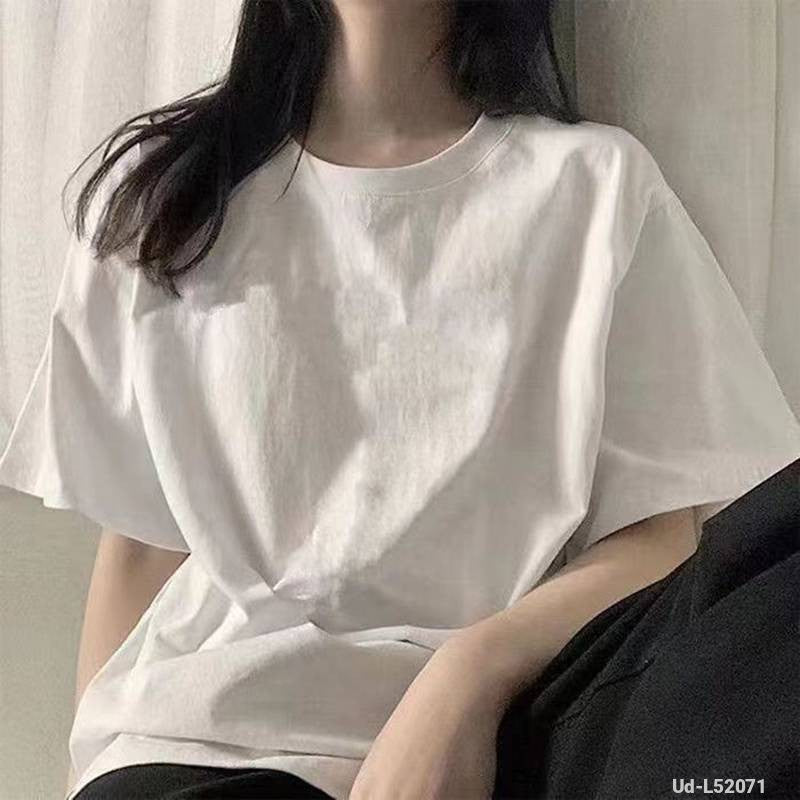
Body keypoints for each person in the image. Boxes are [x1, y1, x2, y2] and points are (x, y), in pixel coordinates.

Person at [0, 1, 798, 798]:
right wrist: (84, 772)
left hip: (530, 721)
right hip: (221, 745)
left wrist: (470, 672)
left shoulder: (596, 186)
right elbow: (141, 549)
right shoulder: (167, 201)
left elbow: (660, 537)